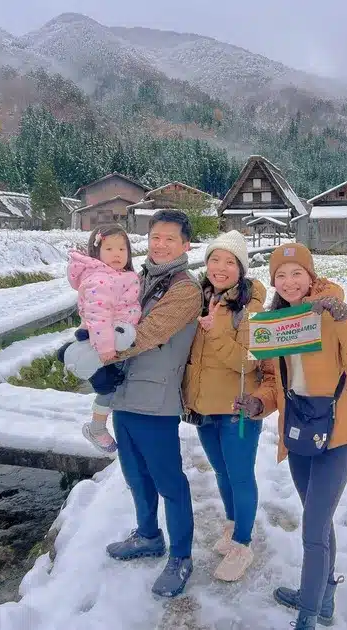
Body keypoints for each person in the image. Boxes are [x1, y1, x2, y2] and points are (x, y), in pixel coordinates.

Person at [233, 243, 347, 629]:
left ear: (310, 274)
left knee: (314, 526)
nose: (289, 282)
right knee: (319, 519)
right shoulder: (276, 324)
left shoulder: (331, 312)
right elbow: (274, 381)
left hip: (337, 430)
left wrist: (346, 319)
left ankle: (308, 614)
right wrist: (257, 402)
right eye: (280, 276)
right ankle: (323, 596)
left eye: (297, 273)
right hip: (299, 430)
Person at [103, 210, 204, 599]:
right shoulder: (137, 278)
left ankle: (181, 557)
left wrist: (93, 353)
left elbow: (146, 333)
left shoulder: (185, 289)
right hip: (124, 394)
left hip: (156, 400)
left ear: (185, 245)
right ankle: (148, 535)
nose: (160, 245)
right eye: (155, 237)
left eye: (169, 239)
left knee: (169, 482)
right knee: (135, 475)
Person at [182, 230, 266, 583]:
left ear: (241, 268)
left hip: (236, 409)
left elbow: (248, 362)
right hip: (204, 408)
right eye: (214, 259)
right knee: (220, 472)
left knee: (241, 475)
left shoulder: (250, 307)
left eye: (229, 262)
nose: (220, 267)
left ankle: (243, 544)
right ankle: (233, 527)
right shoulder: (199, 298)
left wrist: (215, 331)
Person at [65, 224, 141, 453]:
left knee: (111, 386)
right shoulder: (101, 279)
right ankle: (96, 428)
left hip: (113, 336)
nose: (117, 254)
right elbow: (98, 315)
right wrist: (106, 348)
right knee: (108, 387)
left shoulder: (117, 275)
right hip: (108, 340)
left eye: (122, 249)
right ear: (96, 251)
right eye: (109, 249)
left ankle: (101, 425)